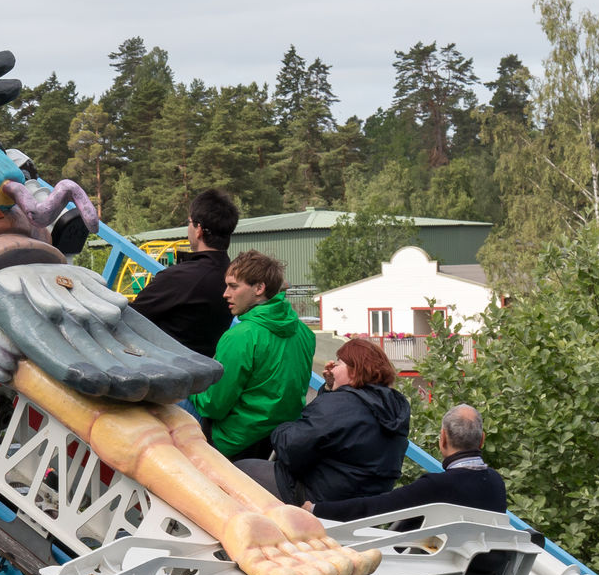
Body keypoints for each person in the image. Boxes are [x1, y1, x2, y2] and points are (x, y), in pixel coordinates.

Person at [187, 251, 314, 460]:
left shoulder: (241, 336)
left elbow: (213, 406)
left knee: (171, 400)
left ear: (259, 288)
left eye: (233, 286)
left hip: (234, 441)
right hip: (278, 441)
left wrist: (192, 387)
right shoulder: (304, 333)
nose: (225, 294)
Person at [260, 337, 410, 506]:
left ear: (354, 370)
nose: (332, 370)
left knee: (243, 470)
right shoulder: (392, 406)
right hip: (359, 507)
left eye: (338, 364)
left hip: (318, 501)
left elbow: (291, 448)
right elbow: (332, 429)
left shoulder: (343, 404)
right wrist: (330, 389)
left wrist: (281, 427)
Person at [307, 404, 506, 522]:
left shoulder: (437, 486)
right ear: (482, 440)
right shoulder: (497, 483)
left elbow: (375, 507)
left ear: (443, 439)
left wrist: (316, 510)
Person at [127, 188, 238, 360]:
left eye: (189, 222)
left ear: (199, 229)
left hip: (166, 367)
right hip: (206, 365)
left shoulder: (179, 278)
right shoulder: (235, 278)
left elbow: (129, 317)